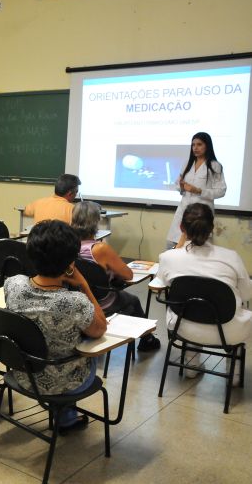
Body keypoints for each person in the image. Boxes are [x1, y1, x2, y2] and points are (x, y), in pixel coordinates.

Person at [4, 220, 107, 433]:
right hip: (65, 382)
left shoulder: (13, 284)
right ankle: (66, 417)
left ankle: (66, 415)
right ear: (70, 264)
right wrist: (84, 285)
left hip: (23, 373)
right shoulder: (75, 302)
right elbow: (100, 329)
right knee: (88, 346)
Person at [158, 203, 251, 383]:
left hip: (182, 327)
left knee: (191, 307)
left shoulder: (168, 257)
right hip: (229, 332)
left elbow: (160, 283)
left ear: (181, 228)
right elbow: (247, 295)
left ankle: (191, 366)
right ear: (212, 228)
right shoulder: (231, 257)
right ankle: (235, 375)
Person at [72, 201, 160, 352]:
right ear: (96, 221)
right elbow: (128, 274)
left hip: (76, 299)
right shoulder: (100, 249)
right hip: (101, 302)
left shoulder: (67, 245)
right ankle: (148, 340)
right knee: (133, 300)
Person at [166, 132, 226, 248]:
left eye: (199, 144)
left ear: (207, 146)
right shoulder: (187, 164)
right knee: (172, 246)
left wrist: (199, 191)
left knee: (198, 250)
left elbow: (221, 191)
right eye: (193, 145)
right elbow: (177, 185)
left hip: (201, 215)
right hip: (183, 211)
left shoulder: (215, 166)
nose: (195, 148)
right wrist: (181, 187)